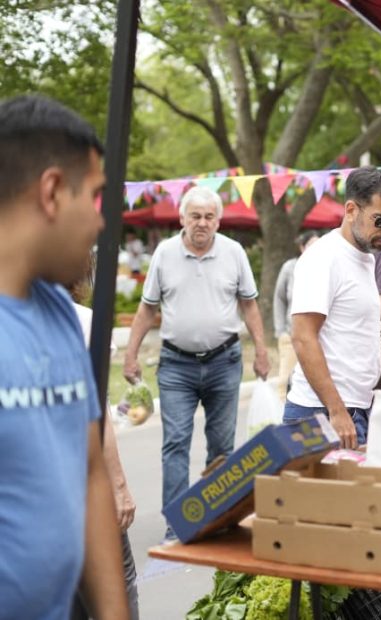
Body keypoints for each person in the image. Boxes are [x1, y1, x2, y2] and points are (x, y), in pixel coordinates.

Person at [0, 94, 127, 618]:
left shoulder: (60, 311)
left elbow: (90, 468)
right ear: (52, 192)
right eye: (95, 198)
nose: (101, 224)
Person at [123, 185, 270, 540]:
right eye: (195, 216)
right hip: (176, 365)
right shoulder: (164, 253)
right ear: (182, 219)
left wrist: (262, 351)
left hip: (225, 361)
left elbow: (249, 305)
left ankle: (217, 519)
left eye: (208, 217)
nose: (202, 223)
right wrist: (130, 354)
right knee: (175, 443)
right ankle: (178, 524)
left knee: (221, 447)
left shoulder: (234, 252)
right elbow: (147, 309)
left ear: (218, 221)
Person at [284, 167, 381, 447]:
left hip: (354, 409)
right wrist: (336, 410)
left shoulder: (366, 258)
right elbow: (303, 337)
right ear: (351, 210)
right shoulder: (324, 257)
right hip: (322, 412)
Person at [67, 256, 139, 620]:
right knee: (115, 583)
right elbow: (97, 415)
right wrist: (118, 486)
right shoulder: (81, 322)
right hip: (80, 484)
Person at [273, 231, 318, 400]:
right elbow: (279, 298)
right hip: (290, 335)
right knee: (285, 381)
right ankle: (282, 412)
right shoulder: (290, 268)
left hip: (317, 337)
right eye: (311, 245)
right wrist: (280, 331)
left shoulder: (325, 268)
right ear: (302, 247)